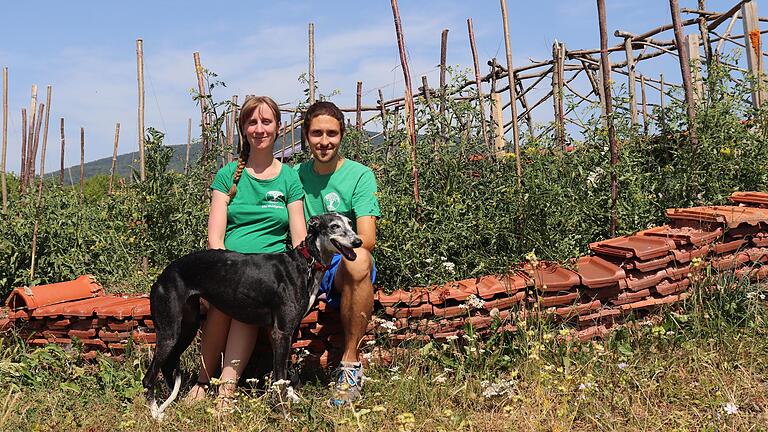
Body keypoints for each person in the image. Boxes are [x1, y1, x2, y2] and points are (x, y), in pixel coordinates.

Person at [184, 96, 307, 407]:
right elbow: (215, 238)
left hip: (271, 272)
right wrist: (229, 273)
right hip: (228, 264)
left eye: (266, 122)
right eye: (252, 122)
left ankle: (224, 391)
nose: (259, 128)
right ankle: (201, 382)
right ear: (243, 128)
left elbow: (299, 239)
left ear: (278, 127)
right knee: (227, 301)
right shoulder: (229, 175)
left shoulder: (289, 177)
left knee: (246, 303)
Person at [295, 101, 381, 406]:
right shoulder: (296, 175)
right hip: (303, 265)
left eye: (331, 133)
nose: (324, 141)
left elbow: (366, 238)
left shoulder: (360, 175)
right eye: (317, 133)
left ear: (341, 135)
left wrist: (328, 257)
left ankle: (349, 363)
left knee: (360, 263)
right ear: (306, 135)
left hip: (339, 263)